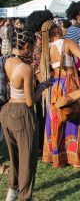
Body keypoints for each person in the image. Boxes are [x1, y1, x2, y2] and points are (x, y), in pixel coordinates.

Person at [40, 20, 80, 168]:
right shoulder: (68, 43)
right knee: (76, 116)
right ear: (56, 30)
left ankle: (57, 155)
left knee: (58, 119)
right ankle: (77, 156)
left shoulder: (47, 48)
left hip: (55, 86)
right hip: (70, 83)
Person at [1, 29, 40, 201]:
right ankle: (25, 196)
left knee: (14, 155)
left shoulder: (6, 60)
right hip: (21, 113)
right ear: (26, 46)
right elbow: (30, 102)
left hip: (6, 111)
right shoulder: (26, 68)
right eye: (32, 48)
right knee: (28, 159)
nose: (33, 51)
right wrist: (41, 88)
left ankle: (12, 190)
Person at [25, 10, 54, 153]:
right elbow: (35, 64)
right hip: (37, 81)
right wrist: (44, 84)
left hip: (34, 80)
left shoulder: (35, 37)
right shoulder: (38, 39)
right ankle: (41, 145)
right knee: (42, 113)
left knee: (39, 114)